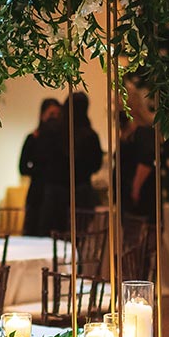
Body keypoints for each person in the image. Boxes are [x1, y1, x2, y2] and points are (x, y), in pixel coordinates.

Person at [36, 92, 104, 235]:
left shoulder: (53, 130)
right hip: (80, 193)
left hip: (54, 194)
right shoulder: (90, 135)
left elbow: (42, 158)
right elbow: (96, 165)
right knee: (76, 238)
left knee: (51, 240)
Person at [20, 97, 62, 236]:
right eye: (51, 115)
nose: (54, 119)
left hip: (56, 195)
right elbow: (22, 167)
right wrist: (40, 170)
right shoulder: (33, 138)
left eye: (57, 115)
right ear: (42, 115)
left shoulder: (62, 140)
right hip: (38, 193)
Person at [117, 83, 157, 220]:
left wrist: (135, 189)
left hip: (140, 197)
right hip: (128, 195)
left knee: (140, 236)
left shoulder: (142, 132)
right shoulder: (128, 132)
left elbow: (145, 161)